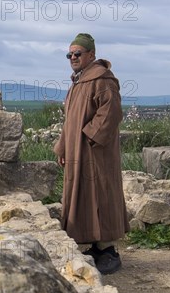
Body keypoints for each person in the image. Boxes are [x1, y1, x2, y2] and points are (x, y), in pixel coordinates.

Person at [53, 33, 129, 275]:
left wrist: (89, 138)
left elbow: (112, 112)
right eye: (70, 54)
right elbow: (69, 121)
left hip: (96, 153)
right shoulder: (78, 82)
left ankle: (109, 251)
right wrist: (64, 146)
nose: (73, 58)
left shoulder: (103, 80)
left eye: (77, 53)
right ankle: (95, 247)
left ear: (91, 55)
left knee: (101, 195)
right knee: (85, 196)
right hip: (77, 152)